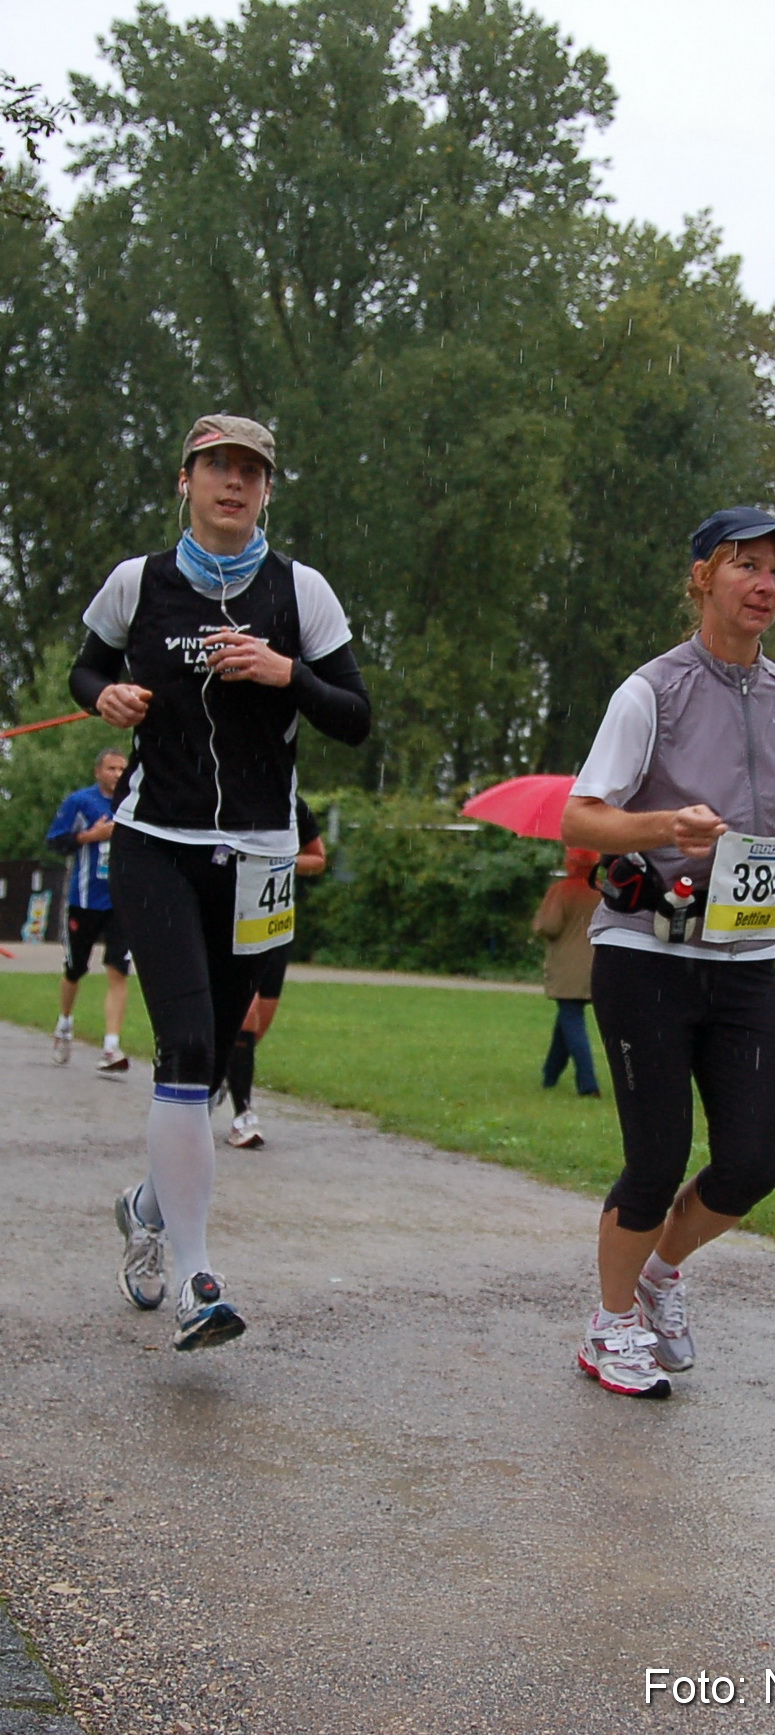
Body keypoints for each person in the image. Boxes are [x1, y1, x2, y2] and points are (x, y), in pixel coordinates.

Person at [69, 413, 370, 1351]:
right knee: (188, 1042)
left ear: (267, 489)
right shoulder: (139, 581)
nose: (233, 483)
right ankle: (198, 1277)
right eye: (216, 468)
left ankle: (144, 1206)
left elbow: (355, 717)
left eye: (250, 471)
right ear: (186, 480)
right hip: (156, 838)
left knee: (208, 1060)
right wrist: (105, 696)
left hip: (261, 854)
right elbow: (88, 669)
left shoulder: (300, 590)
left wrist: (286, 673)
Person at [562, 506, 775, 1399]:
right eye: (746, 565)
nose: (766, 584)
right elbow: (582, 816)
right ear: (702, 577)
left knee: (750, 1164)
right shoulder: (650, 690)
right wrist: (664, 825)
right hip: (645, 949)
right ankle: (609, 1324)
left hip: (744, 957)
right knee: (655, 1159)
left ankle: (658, 1274)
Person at [221, 796, 327, 1149]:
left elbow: (318, 859)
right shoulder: (227, 798)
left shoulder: (294, 805)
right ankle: (243, 1115)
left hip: (275, 924)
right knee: (246, 1017)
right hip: (232, 921)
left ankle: (221, 1073)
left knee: (257, 1027)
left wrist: (285, 861)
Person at [45, 746, 132, 1072]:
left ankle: (111, 1046)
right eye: (111, 768)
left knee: (118, 969)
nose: (118, 774)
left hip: (121, 902)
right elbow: (55, 842)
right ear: (98, 772)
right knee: (75, 968)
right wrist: (90, 836)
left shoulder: (134, 804)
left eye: (122, 769)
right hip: (84, 900)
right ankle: (64, 1024)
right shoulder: (80, 802)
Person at [531, 846, 603, 1099]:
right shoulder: (603, 891)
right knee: (567, 1018)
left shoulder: (562, 890)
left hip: (568, 966)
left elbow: (550, 926)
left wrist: (538, 922)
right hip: (598, 964)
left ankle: (587, 1083)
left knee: (571, 1017)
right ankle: (550, 1075)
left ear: (572, 863)